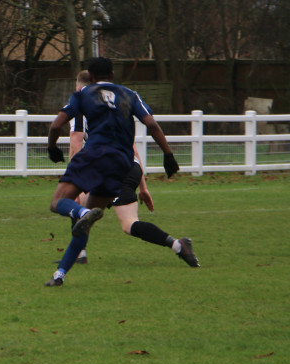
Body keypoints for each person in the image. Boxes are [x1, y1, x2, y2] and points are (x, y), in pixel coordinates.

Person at [44, 57, 189, 286]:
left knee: (57, 202)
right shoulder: (130, 95)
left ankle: (81, 214)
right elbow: (151, 125)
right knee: (87, 224)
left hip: (93, 156)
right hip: (121, 162)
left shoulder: (83, 94)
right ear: (112, 75)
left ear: (90, 77)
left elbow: (55, 125)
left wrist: (52, 148)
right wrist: (168, 155)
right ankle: (59, 275)